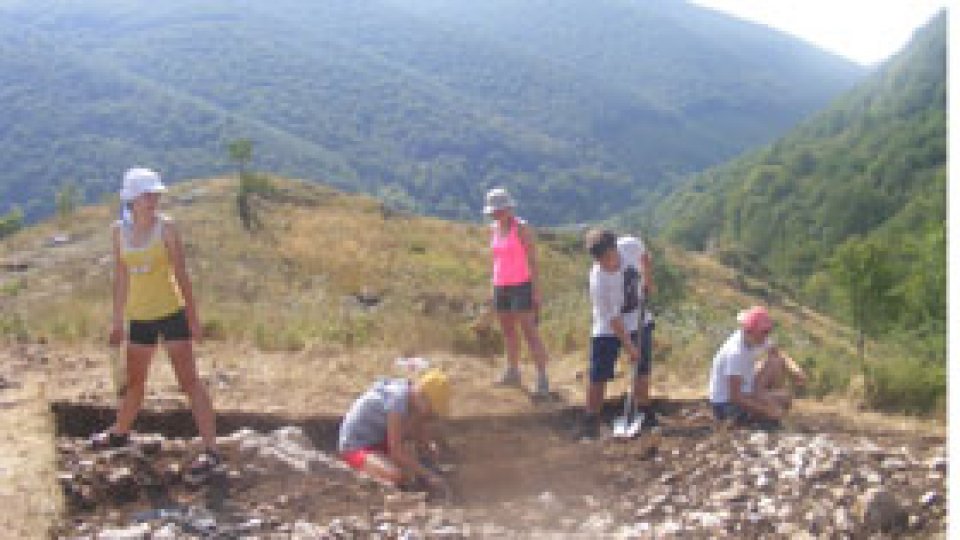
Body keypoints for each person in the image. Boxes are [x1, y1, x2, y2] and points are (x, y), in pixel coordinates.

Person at [91, 168, 219, 478]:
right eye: (148, 195)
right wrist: (117, 321)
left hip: (171, 312)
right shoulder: (118, 232)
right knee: (136, 384)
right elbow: (120, 277)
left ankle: (212, 450)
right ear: (133, 199)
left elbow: (181, 274)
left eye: (155, 195)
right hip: (139, 318)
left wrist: (193, 318)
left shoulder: (167, 228)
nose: (154, 200)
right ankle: (119, 434)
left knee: (189, 381)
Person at [579, 229, 655, 439]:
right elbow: (613, 319)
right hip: (608, 326)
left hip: (637, 315)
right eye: (601, 261)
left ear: (615, 248)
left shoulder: (630, 245)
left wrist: (647, 279)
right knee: (599, 372)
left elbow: (645, 257)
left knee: (642, 368)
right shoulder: (598, 281)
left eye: (609, 258)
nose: (606, 264)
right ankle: (591, 418)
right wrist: (630, 346)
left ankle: (644, 411)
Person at [338, 369, 451, 493]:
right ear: (422, 396)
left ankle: (381, 468)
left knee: (410, 467)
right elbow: (396, 452)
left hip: (379, 443)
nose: (430, 415)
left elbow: (419, 437)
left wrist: (430, 453)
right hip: (355, 448)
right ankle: (360, 475)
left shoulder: (412, 400)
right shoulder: (398, 400)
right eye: (431, 410)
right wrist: (428, 474)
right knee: (396, 476)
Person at [484, 188, 551, 396]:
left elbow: (532, 260)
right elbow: (496, 259)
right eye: (493, 211)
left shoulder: (521, 229)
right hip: (500, 285)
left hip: (522, 285)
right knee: (508, 331)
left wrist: (536, 290)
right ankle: (513, 371)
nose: (496, 213)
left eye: (499, 209)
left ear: (508, 208)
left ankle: (542, 378)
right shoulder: (494, 229)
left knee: (530, 332)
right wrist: (493, 285)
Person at [708, 305, 807, 423]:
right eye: (764, 332)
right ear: (749, 331)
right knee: (781, 400)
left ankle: (769, 404)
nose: (767, 336)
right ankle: (769, 410)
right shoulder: (735, 353)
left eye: (768, 331)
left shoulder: (756, 338)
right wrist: (766, 410)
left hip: (745, 390)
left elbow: (777, 352)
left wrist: (795, 370)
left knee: (776, 362)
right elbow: (735, 396)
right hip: (725, 406)